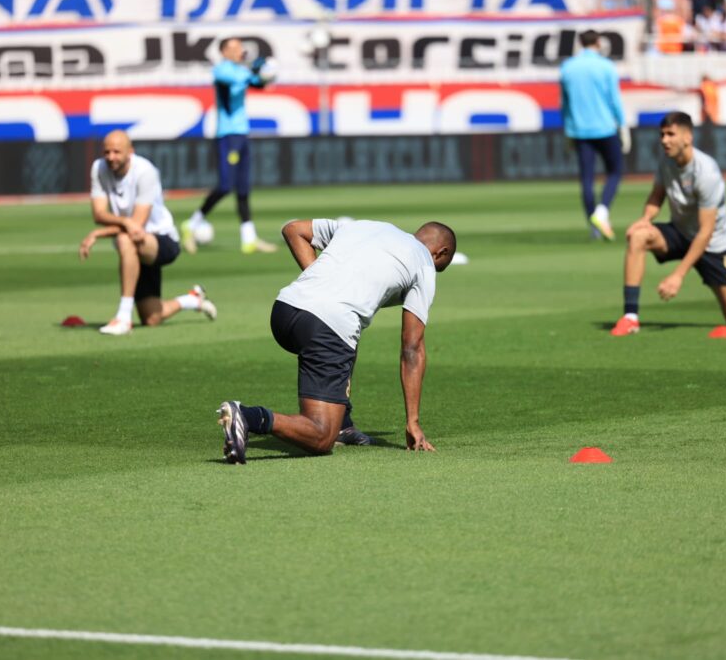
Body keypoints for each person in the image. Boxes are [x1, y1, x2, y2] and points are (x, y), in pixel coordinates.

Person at [216, 218, 456, 464]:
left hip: (284, 311)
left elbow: (293, 229)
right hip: (325, 326)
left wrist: (317, 281)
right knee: (321, 437)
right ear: (441, 253)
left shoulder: (364, 226)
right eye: (441, 266)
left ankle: (343, 423)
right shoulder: (424, 263)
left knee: (350, 334)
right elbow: (412, 348)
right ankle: (247, 417)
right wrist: (412, 421)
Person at [610, 112, 726, 337]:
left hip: (711, 245)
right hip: (680, 232)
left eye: (671, 134)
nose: (664, 140)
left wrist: (678, 275)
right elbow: (657, 196)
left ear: (688, 138)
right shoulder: (666, 161)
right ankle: (630, 317)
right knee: (638, 236)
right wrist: (645, 220)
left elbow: (705, 232)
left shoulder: (706, 172)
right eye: (662, 135)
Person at [80, 130, 217, 335]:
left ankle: (123, 318)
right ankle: (192, 300)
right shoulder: (98, 168)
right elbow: (99, 214)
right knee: (151, 318)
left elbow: (137, 226)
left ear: (130, 152)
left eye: (117, 152)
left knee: (125, 239)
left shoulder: (145, 172)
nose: (111, 157)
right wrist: (123, 222)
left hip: (163, 240)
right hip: (136, 246)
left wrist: (98, 234)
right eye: (106, 152)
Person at [180, 37, 278, 255]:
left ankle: (249, 239)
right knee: (225, 186)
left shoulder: (240, 70)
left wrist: (268, 73)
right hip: (227, 135)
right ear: (224, 52)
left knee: (243, 188)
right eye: (233, 48)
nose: (239, 50)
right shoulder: (222, 70)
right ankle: (192, 223)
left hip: (242, 134)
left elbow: (259, 83)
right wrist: (256, 68)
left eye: (240, 47)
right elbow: (240, 79)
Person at [559, 30, 630, 241]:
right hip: (605, 128)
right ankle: (602, 211)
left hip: (579, 130)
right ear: (598, 42)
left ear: (580, 43)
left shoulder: (568, 67)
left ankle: (595, 228)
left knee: (586, 179)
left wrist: (568, 130)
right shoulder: (605, 66)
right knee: (615, 171)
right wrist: (623, 125)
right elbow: (614, 99)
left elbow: (564, 103)